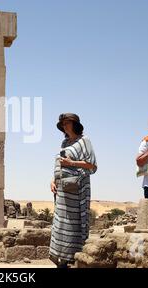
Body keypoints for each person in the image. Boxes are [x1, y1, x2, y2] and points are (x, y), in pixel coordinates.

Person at [49, 113, 97, 268]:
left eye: (67, 122)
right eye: (62, 124)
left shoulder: (84, 141)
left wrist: (72, 162)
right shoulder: (64, 142)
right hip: (62, 192)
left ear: (74, 124)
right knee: (60, 223)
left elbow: (92, 165)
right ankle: (60, 259)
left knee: (73, 224)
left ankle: (73, 259)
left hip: (77, 191)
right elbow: (59, 164)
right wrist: (52, 180)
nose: (64, 125)